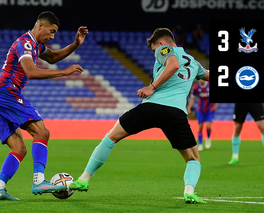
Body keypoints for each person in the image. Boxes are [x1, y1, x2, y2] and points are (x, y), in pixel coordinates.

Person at [70, 28, 209, 204]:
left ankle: (83, 179)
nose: (155, 54)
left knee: (111, 138)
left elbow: (173, 64)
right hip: (176, 113)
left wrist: (152, 87)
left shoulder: (164, 49)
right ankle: (189, 192)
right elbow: (211, 76)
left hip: (151, 107)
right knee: (193, 158)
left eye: (153, 50)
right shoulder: (193, 62)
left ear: (161, 43)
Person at [0, 11, 88, 200]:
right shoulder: (25, 44)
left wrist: (75, 44)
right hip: (6, 93)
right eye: (51, 31)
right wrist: (64, 72)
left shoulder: (35, 46)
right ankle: (39, 180)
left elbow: (53, 57)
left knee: (19, 149)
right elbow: (31, 72)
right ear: (41, 25)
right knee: (42, 132)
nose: (52, 36)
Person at [187, 79, 218, 151]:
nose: (200, 80)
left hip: (210, 109)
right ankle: (200, 144)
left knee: (208, 126)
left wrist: (216, 104)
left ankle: (208, 138)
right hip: (200, 110)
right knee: (200, 127)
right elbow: (192, 98)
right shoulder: (196, 87)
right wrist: (189, 107)